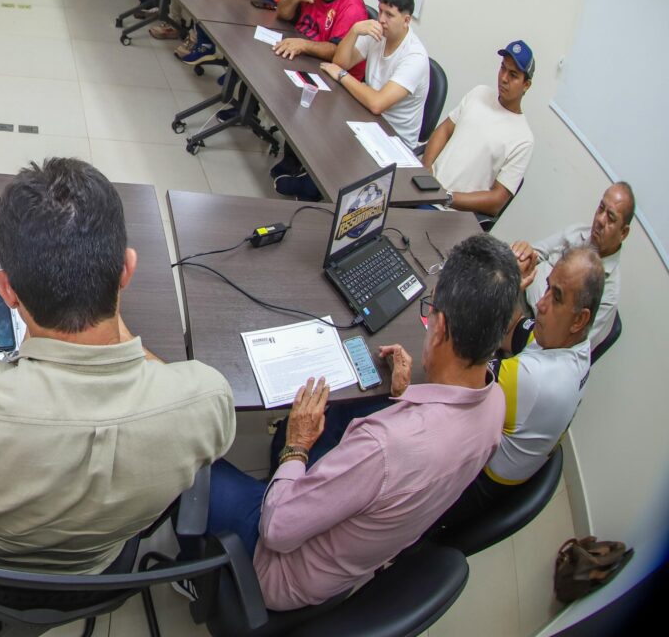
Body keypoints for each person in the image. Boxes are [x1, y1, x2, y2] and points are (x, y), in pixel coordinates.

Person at [0, 158, 234, 574]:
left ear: (6, 290)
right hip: (95, 568)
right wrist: (116, 325)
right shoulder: (204, 402)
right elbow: (171, 387)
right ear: (127, 269)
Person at [205, 233, 515, 612]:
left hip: (283, 568)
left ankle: (195, 575)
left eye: (430, 310)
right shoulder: (495, 404)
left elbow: (277, 529)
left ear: (441, 329)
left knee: (191, 461)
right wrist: (404, 397)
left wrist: (297, 446)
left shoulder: (383, 447)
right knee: (335, 414)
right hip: (357, 550)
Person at [436, 244, 601, 534]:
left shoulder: (536, 378)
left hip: (471, 485)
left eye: (556, 297)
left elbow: (447, 375)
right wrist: (510, 286)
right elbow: (511, 331)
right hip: (501, 463)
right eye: (547, 287)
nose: (541, 304)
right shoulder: (576, 345)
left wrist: (484, 289)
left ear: (579, 319)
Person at [264, 0, 370, 181]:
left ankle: (297, 162)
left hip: (332, 75)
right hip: (303, 53)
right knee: (260, 63)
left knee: (301, 102)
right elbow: (282, 13)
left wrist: (304, 45)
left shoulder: (352, 6)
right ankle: (243, 109)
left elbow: (336, 53)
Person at [512, 182, 633, 352]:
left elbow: (571, 349)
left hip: (534, 338)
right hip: (517, 297)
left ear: (623, 232)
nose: (600, 219)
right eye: (601, 208)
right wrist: (523, 257)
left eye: (611, 218)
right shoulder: (578, 233)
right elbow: (536, 252)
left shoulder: (608, 294)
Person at [422, 42, 536, 215]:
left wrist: (446, 197)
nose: (503, 78)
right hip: (423, 187)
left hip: (450, 211)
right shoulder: (479, 93)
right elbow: (444, 130)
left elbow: (497, 200)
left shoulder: (524, 139)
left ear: (526, 85)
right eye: (503, 68)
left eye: (513, 75)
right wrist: (426, 168)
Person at [320, 0, 430, 148]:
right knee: (322, 122)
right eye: (380, 11)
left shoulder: (415, 57)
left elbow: (377, 104)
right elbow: (340, 63)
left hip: (394, 139)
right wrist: (354, 30)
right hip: (367, 119)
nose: (381, 19)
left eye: (389, 15)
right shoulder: (379, 32)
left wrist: (342, 75)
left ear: (406, 20)